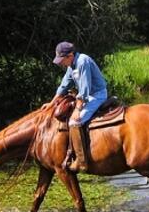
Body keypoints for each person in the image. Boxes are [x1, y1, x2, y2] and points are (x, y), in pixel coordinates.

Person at [45, 41, 108, 172]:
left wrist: (78, 109)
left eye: (62, 59)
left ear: (70, 55)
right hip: (86, 96)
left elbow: (85, 89)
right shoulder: (71, 66)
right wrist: (51, 103)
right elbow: (63, 86)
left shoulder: (82, 61)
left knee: (74, 122)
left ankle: (81, 161)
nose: (61, 63)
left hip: (97, 95)